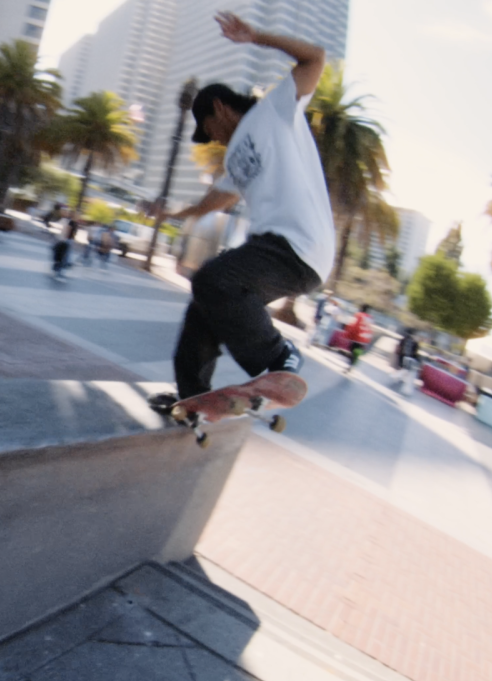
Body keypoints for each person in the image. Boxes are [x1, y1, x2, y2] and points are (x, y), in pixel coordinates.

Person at [148, 11, 333, 410]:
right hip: (276, 252)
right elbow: (212, 203)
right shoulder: (234, 159)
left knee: (213, 280)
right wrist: (171, 214)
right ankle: (194, 398)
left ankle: (278, 360)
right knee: (205, 306)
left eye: (208, 126)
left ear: (220, 106)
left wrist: (257, 37)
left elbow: (315, 58)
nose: (210, 136)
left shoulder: (276, 109)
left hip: (298, 246)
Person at [342, 304, 374, 373]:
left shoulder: (359, 315)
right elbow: (370, 329)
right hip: (364, 338)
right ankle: (352, 364)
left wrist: (348, 334)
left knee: (352, 350)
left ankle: (349, 365)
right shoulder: (370, 318)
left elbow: (354, 325)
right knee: (356, 352)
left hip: (357, 337)